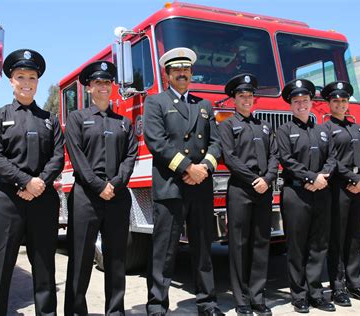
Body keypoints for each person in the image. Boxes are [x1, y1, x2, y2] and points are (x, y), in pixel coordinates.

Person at [0, 49, 65, 316]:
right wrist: (25, 182)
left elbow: (57, 157)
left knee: (44, 270)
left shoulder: (49, 120)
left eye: (32, 77)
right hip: (7, 201)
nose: (26, 82)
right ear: (11, 80)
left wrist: (39, 182)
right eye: (21, 77)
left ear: (38, 81)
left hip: (43, 201)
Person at [143, 47, 223, 316]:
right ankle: (156, 306)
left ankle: (207, 303)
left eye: (186, 70)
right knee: (164, 251)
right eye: (176, 70)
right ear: (167, 74)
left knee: (203, 249)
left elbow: (216, 143)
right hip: (171, 186)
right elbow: (156, 142)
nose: (182, 74)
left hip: (200, 186)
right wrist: (189, 168)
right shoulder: (155, 103)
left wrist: (204, 168)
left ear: (191, 73)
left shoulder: (204, 105)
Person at [63, 60, 138, 316]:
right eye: (98, 83)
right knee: (81, 260)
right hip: (86, 197)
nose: (103, 87)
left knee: (117, 260)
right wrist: (98, 186)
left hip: (117, 197)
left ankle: (115, 311)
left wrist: (115, 184)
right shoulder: (76, 119)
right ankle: (75, 311)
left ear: (112, 87)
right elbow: (77, 157)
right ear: (88, 88)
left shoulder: (124, 123)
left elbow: (130, 157)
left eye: (107, 82)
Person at [218, 74, 278, 316]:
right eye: (242, 96)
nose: (246, 99)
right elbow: (229, 157)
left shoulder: (263, 125)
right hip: (241, 190)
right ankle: (241, 300)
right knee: (239, 245)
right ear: (234, 99)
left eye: (250, 96)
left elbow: (275, 155)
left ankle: (258, 296)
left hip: (263, 190)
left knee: (261, 244)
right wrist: (254, 179)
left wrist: (268, 179)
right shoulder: (227, 125)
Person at [276, 79, 337, 313]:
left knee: (318, 245)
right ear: (290, 105)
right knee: (297, 246)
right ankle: (299, 295)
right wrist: (312, 178)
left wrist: (322, 176)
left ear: (311, 103)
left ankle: (316, 293)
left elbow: (332, 158)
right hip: (296, 193)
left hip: (322, 192)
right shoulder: (284, 130)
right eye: (296, 101)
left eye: (305, 100)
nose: (301, 104)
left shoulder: (322, 131)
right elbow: (286, 161)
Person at [322, 81, 360, 306]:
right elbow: (332, 160)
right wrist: (355, 179)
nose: (340, 104)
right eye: (336, 101)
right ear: (329, 104)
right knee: (337, 238)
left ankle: (355, 284)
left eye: (344, 101)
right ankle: (337, 287)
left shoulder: (357, 129)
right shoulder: (326, 130)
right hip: (339, 188)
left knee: (354, 238)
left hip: (359, 189)